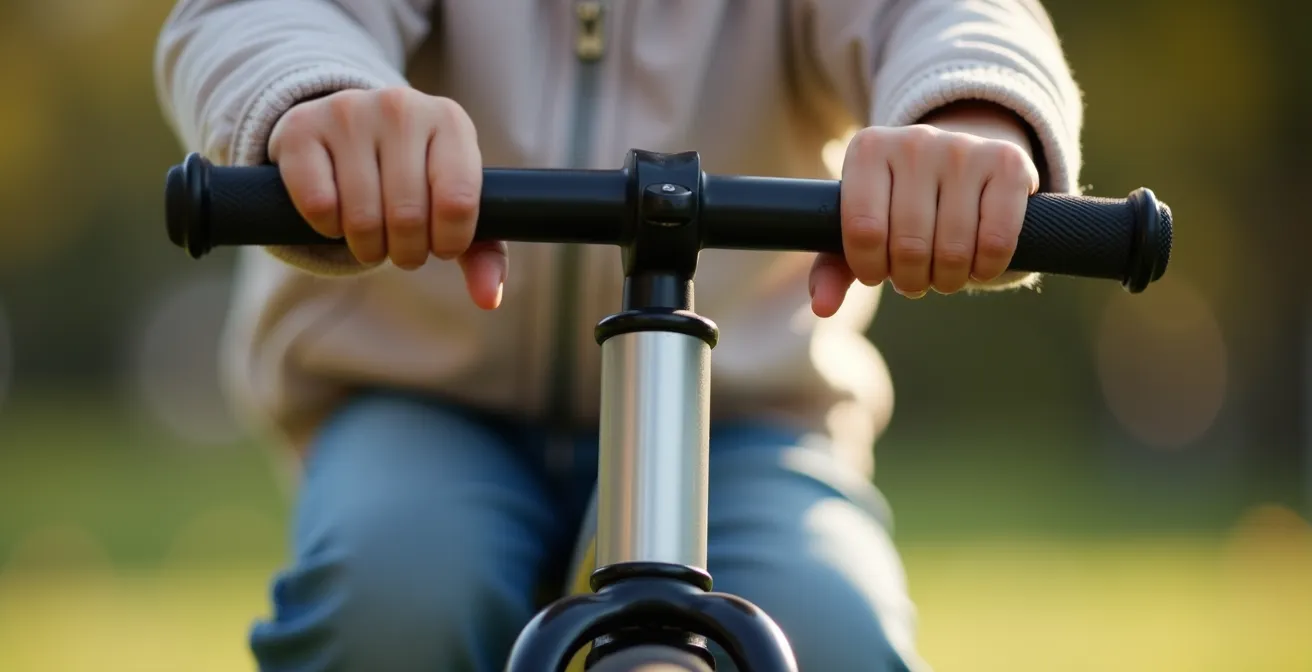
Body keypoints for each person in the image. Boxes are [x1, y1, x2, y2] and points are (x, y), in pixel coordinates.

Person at [155, 1, 1082, 670]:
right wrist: (320, 99)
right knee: (390, 594)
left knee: (828, 625)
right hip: (424, 396)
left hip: (735, 419)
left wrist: (970, 115)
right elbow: (261, 12)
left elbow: (950, 14)